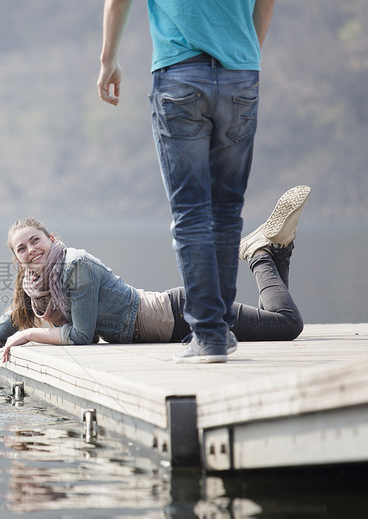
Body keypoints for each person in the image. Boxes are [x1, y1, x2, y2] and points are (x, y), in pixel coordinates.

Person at [0, 186, 310, 382]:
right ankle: (277, 250)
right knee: (276, 321)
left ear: (50, 238)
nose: (31, 250)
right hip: (168, 323)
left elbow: (82, 337)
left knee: (287, 325)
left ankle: (260, 254)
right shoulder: (36, 286)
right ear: (17, 259)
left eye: (36, 240)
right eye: (22, 248)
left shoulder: (75, 267)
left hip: (180, 315)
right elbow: (3, 327)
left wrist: (29, 336)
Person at [97, 0, 277, 363]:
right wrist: (245, 53)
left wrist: (107, 61)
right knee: (227, 213)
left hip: (180, 77)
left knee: (191, 214)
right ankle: (220, 330)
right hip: (241, 75)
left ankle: (209, 335)